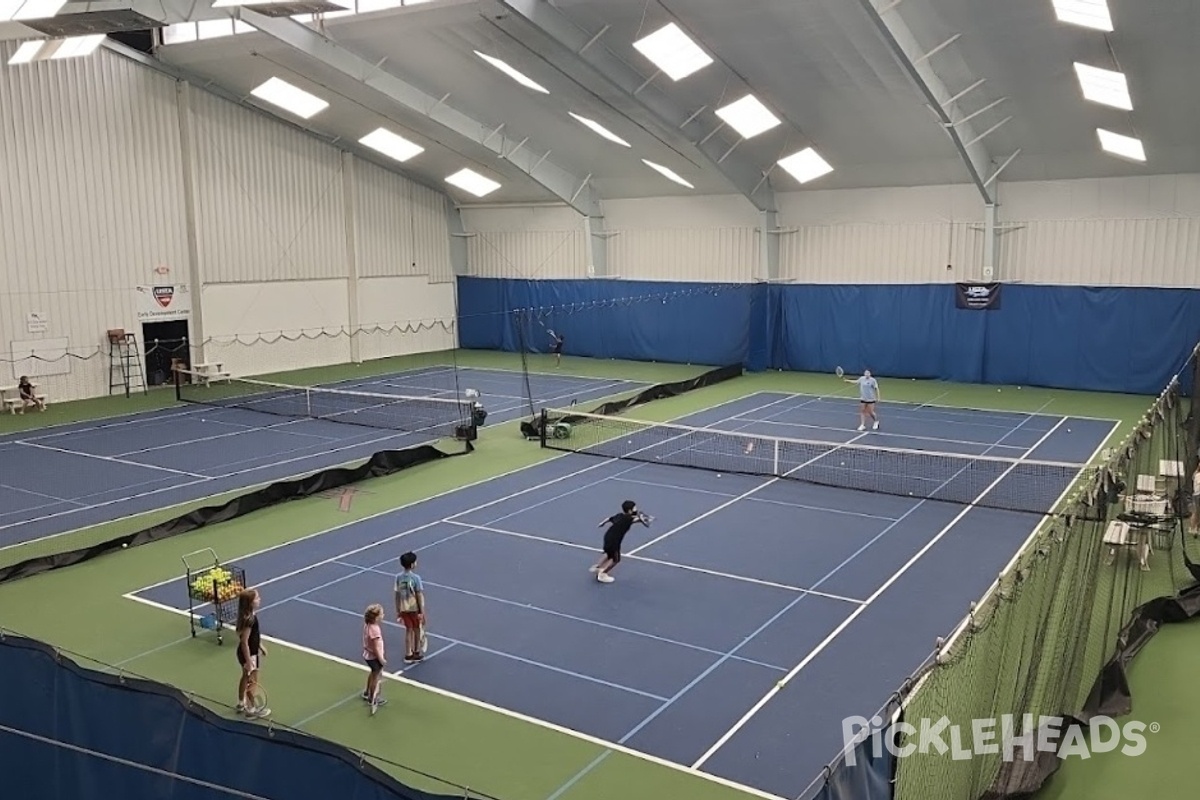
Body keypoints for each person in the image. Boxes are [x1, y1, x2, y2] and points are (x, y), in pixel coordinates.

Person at [589, 500, 651, 583]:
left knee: (608, 553)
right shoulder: (629, 519)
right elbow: (636, 520)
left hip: (608, 537)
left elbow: (609, 519)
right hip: (614, 541)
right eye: (634, 508)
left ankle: (597, 567)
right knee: (616, 560)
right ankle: (602, 574)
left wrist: (602, 523)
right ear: (629, 510)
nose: (636, 509)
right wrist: (645, 519)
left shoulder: (620, 515)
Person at [235, 588, 270, 718]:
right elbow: (244, 641)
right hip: (249, 654)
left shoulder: (247, 617)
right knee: (252, 681)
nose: (259, 599)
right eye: (257, 598)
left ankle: (241, 703)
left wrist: (260, 646)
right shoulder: (250, 620)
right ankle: (252, 709)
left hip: (247, 652)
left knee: (245, 677)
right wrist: (249, 661)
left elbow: (250, 637)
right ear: (250, 603)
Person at [394, 552, 426, 662]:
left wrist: (398, 610)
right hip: (414, 609)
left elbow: (397, 595)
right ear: (412, 565)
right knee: (417, 629)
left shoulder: (398, 577)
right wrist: (422, 611)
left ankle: (408, 654)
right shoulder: (416, 578)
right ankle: (416, 652)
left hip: (404, 609)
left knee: (408, 630)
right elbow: (419, 595)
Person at [362, 603, 387, 713]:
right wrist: (381, 659)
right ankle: (372, 697)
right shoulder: (375, 630)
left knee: (373, 673)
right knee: (376, 678)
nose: (383, 615)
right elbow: (376, 647)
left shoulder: (367, 625)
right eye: (381, 614)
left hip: (368, 655)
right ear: (376, 617)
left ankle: (367, 692)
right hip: (374, 657)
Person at [1191, 462, 1200, 537]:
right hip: (1198, 495)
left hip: (1196, 495)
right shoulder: (1198, 475)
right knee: (1196, 513)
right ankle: (1194, 528)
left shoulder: (1196, 474)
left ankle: (1195, 528)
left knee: (1196, 513)